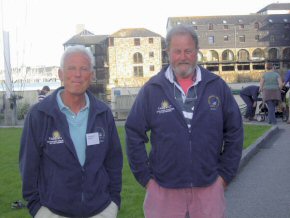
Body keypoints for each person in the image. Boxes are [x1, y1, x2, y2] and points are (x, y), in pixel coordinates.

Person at [125, 24, 244, 218]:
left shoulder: (216, 86)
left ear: (197, 51)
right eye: (177, 51)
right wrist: (146, 179)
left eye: (188, 50)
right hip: (164, 191)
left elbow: (235, 131)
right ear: (168, 53)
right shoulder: (152, 89)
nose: (183, 57)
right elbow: (133, 132)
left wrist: (224, 176)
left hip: (209, 187)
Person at [19, 45, 123, 218]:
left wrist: (113, 204)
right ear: (60, 74)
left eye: (84, 69)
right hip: (53, 212)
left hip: (101, 210)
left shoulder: (103, 113)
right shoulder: (39, 115)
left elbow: (114, 162)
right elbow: (28, 167)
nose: (77, 74)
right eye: (71, 68)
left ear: (91, 75)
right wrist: (38, 209)